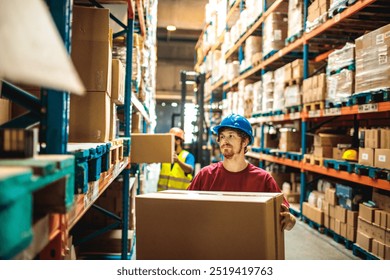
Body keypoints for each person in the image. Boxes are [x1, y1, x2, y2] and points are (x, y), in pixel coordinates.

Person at [187, 113, 296, 231]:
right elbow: (185, 209)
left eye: (231, 136)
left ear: (245, 141)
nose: (225, 141)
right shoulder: (205, 175)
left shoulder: (263, 179)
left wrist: (290, 220)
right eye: (222, 136)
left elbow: (288, 221)